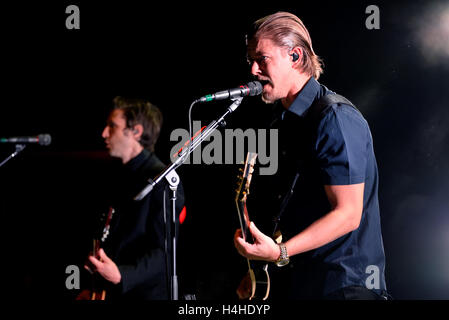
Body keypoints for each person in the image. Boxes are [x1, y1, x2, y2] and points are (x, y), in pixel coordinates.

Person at [233, 11, 388, 300]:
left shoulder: (336, 117)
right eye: (250, 60)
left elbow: (348, 214)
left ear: (294, 56)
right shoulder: (283, 121)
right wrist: (259, 266)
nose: (253, 69)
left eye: (261, 58)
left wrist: (279, 252)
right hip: (304, 283)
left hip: (346, 286)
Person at [79, 96, 185, 300]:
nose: (104, 133)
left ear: (136, 131)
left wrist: (122, 275)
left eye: (112, 126)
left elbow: (164, 251)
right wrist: (94, 286)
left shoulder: (161, 179)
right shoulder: (117, 174)